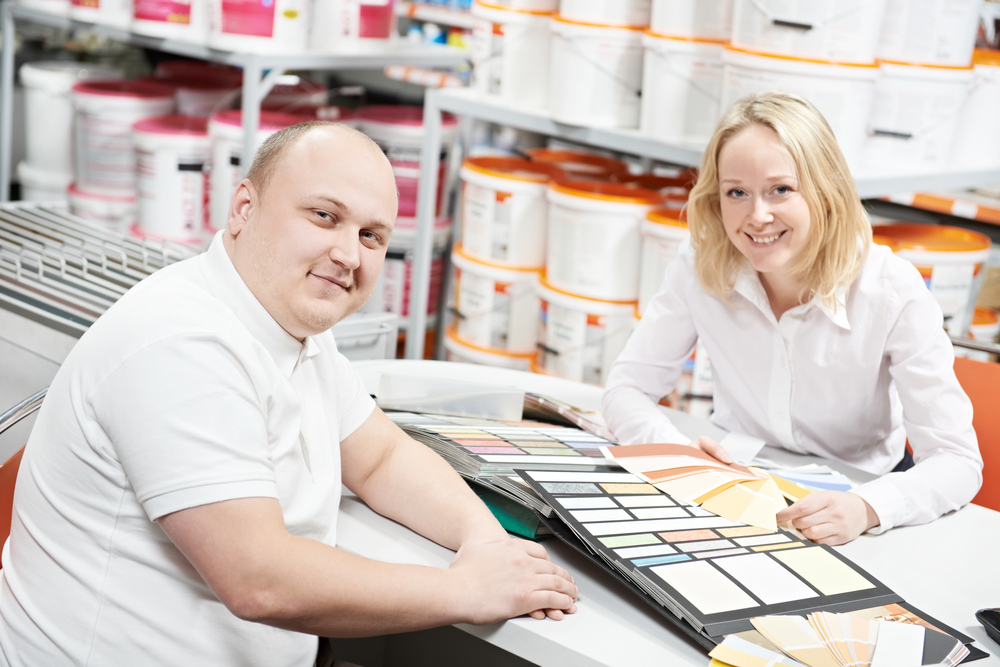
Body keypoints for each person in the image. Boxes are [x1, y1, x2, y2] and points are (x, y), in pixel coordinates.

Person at [0, 121, 578, 666]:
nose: (350, 255)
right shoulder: (180, 343)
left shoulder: (287, 321)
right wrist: (463, 589)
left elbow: (380, 458)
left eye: (371, 236)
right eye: (325, 216)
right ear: (244, 208)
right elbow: (259, 580)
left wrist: (483, 540)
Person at [602, 91, 983, 546]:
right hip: (738, 483)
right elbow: (627, 389)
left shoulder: (890, 289)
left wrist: (868, 507)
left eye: (780, 190)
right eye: (736, 193)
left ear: (825, 191)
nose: (757, 215)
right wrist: (676, 452)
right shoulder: (700, 265)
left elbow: (957, 460)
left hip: (858, 499)